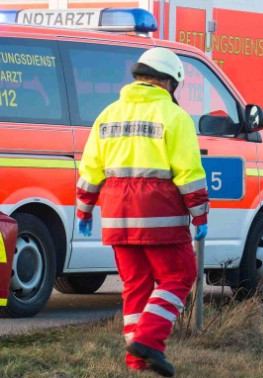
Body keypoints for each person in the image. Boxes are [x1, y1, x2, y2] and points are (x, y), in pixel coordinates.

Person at [75, 47, 209, 377]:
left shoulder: (108, 114)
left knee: (136, 286)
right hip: (159, 214)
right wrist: (200, 216)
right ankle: (148, 341)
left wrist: (84, 211)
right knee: (179, 276)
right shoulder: (175, 117)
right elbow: (189, 172)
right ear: (169, 83)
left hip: (117, 215)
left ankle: (136, 362)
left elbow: (90, 169)